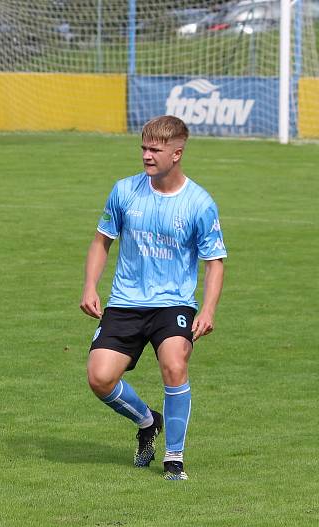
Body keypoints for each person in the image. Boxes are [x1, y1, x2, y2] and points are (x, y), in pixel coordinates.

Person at [79, 115, 226, 481]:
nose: (146, 156)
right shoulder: (124, 191)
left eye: (155, 150)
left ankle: (174, 458)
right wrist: (89, 286)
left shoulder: (199, 202)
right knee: (99, 378)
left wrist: (207, 309)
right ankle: (147, 421)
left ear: (176, 154)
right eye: (144, 148)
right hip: (126, 301)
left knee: (175, 365)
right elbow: (102, 242)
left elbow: (215, 263)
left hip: (174, 303)